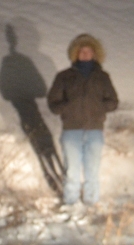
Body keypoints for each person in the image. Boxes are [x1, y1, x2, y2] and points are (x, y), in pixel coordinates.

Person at [47, 34, 118, 213]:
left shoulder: (102, 77)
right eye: (82, 51)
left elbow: (113, 101)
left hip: (95, 130)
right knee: (72, 170)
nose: (85, 54)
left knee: (92, 169)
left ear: (95, 54)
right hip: (71, 130)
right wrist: (67, 107)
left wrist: (99, 107)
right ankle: (70, 202)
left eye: (89, 51)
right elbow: (53, 103)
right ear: (76, 54)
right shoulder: (64, 76)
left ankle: (91, 202)